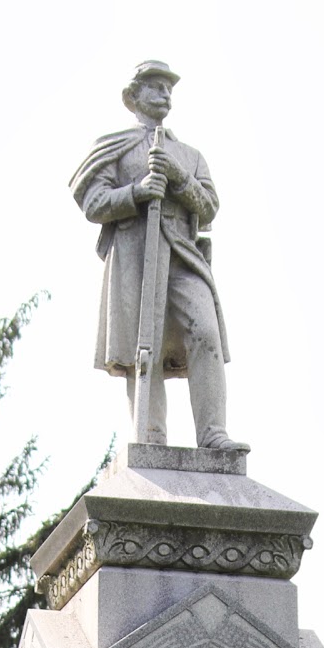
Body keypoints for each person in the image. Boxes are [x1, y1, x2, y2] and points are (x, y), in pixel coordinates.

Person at [70, 60, 248, 452]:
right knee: (141, 345)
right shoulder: (115, 147)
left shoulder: (190, 155)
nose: (164, 94)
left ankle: (213, 433)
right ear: (133, 97)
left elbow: (210, 206)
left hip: (184, 255)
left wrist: (179, 178)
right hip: (136, 256)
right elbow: (94, 202)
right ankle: (151, 436)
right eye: (154, 87)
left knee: (205, 331)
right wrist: (137, 191)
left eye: (168, 88)